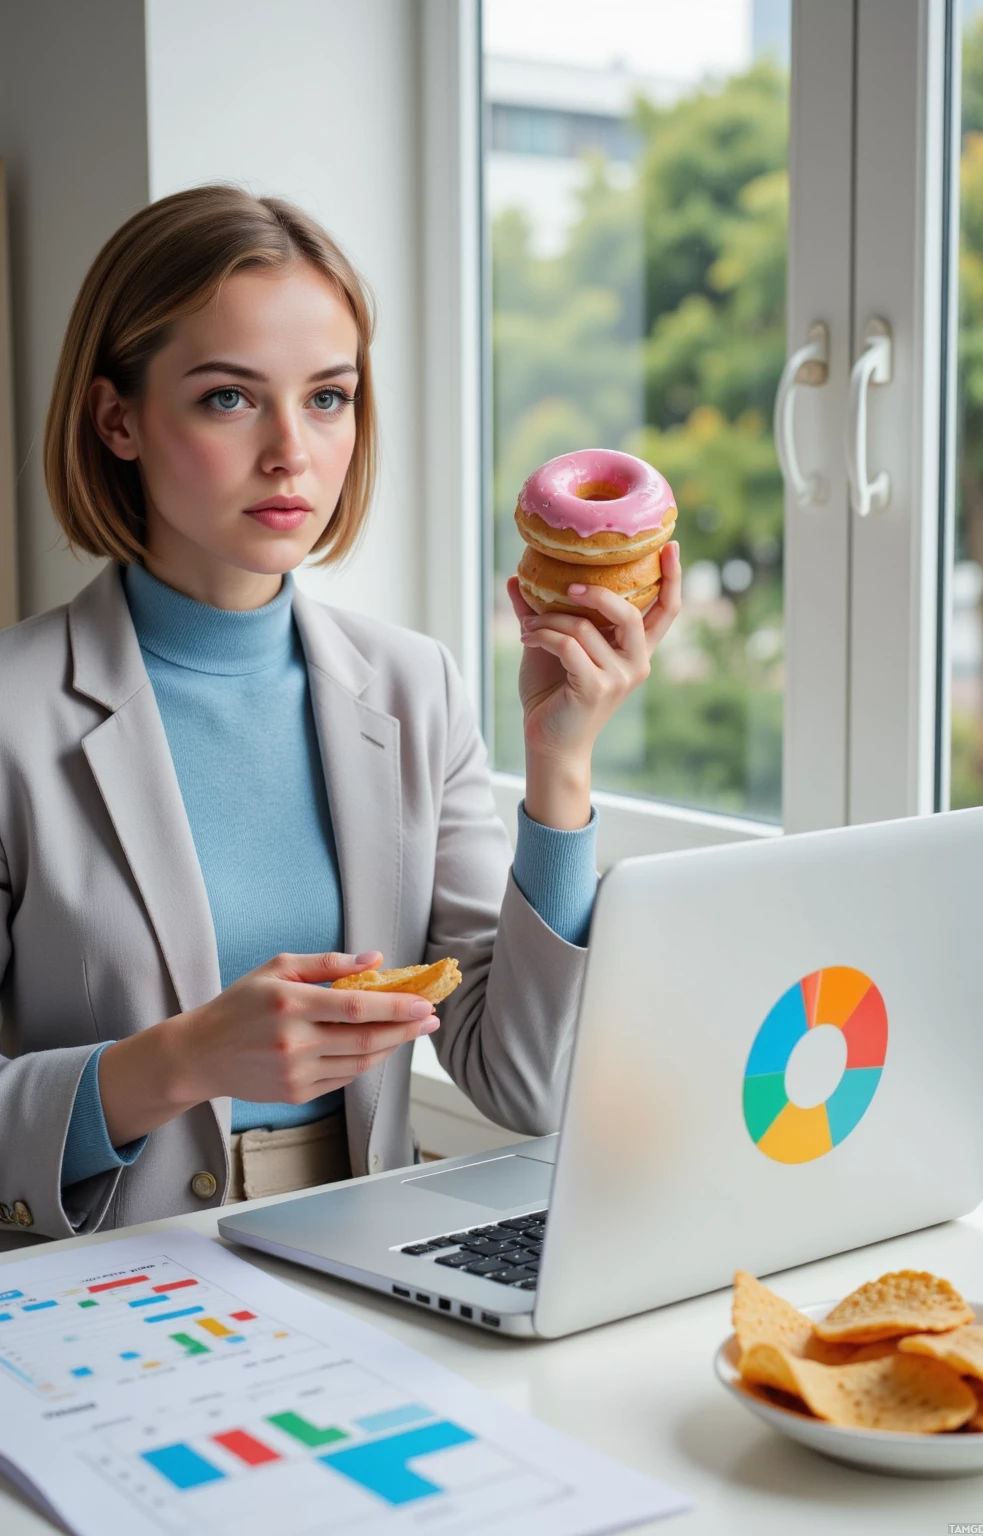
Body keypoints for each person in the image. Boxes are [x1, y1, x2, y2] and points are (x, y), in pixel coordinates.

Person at [0, 186, 681, 1251]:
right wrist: (176, 1063)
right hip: (92, 1294)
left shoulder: (418, 688)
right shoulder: (13, 712)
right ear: (116, 419)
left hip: (361, 1265)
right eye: (230, 399)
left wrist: (561, 767)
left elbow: (523, 1083)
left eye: (329, 398)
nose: (292, 453)